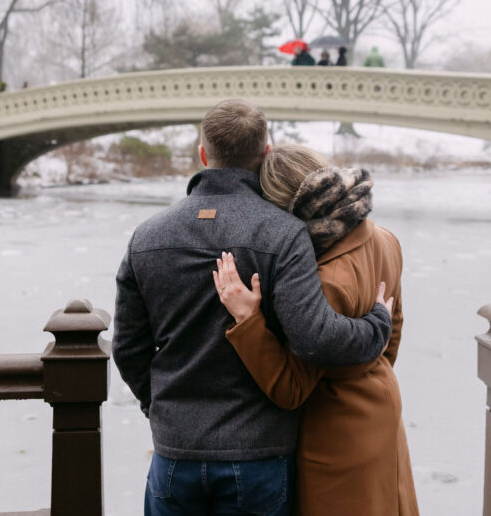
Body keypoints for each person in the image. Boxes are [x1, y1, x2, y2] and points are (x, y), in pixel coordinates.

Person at [112, 99, 393, 516]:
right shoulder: (284, 235)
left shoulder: (146, 237)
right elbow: (315, 340)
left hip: (175, 453)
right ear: (264, 154)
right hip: (257, 453)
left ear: (203, 154)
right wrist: (377, 322)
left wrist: (163, 409)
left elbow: (128, 349)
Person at [213, 143, 419, 516]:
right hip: (381, 410)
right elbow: (392, 335)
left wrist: (248, 321)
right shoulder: (386, 239)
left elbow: (290, 389)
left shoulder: (322, 281)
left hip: (335, 435)